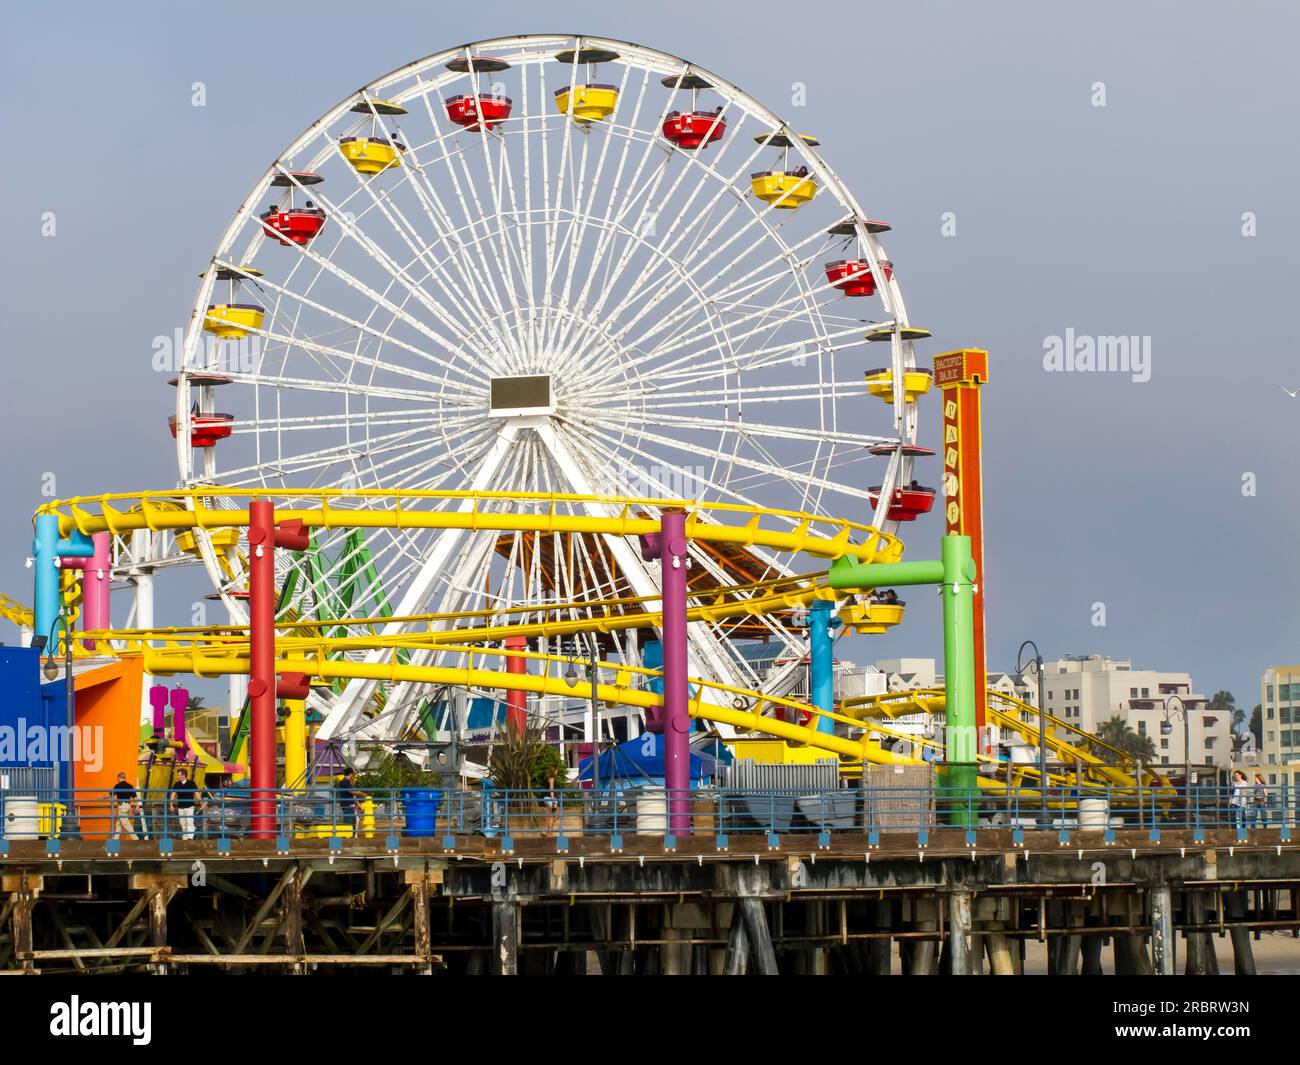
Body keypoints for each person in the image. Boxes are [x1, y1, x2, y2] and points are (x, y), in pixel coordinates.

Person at [170, 768, 202, 840]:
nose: (177, 776)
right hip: (180, 806)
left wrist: (201, 803)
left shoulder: (191, 783)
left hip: (189, 806)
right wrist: (171, 805)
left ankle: (190, 837)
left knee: (189, 821)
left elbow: (197, 794)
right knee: (182, 822)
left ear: (184, 775)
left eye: (179, 775)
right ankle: (185, 837)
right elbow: (173, 795)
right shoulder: (177, 784)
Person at [110, 772, 139, 840]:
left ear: (119, 777)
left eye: (117, 778)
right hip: (127, 806)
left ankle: (136, 839)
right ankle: (115, 839)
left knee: (126, 824)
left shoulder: (117, 786)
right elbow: (135, 797)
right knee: (118, 824)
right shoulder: (130, 786)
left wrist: (102, 797)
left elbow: (111, 795)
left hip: (121, 807)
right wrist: (137, 806)